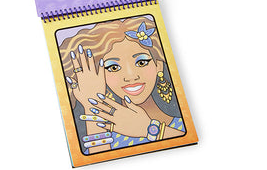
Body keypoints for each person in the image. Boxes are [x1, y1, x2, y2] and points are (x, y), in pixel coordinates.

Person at [59, 16, 185, 154]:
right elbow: (99, 159)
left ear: (158, 66)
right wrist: (91, 104)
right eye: (113, 67)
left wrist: (148, 129)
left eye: (141, 62)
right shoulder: (105, 131)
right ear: (98, 75)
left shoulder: (183, 124)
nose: (131, 76)